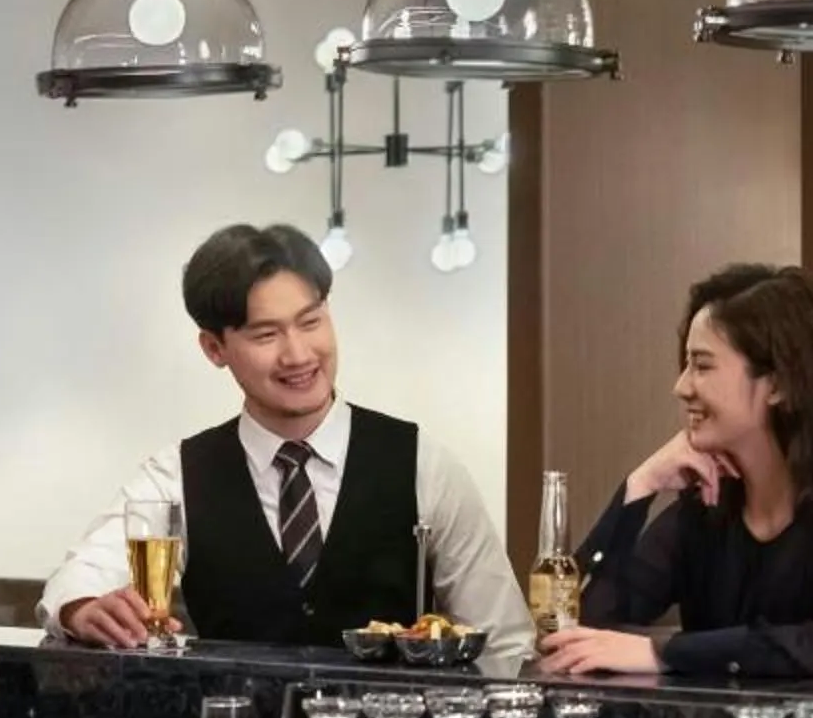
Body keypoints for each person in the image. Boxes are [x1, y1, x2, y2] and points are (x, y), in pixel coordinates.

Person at [42, 222, 532, 672]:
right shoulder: (177, 475)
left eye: (311, 321)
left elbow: (504, 639)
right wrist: (82, 609)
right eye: (266, 334)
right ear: (215, 349)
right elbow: (76, 578)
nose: (298, 354)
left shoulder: (424, 463)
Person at [538, 263, 813, 682]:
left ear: (780, 385)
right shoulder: (704, 511)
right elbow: (576, 628)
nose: (681, 386)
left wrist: (668, 652)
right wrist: (641, 486)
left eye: (702, 365)